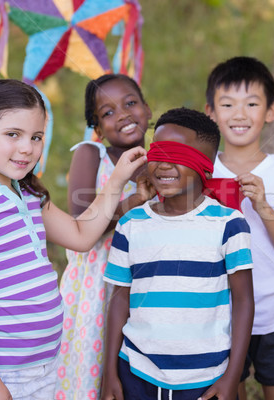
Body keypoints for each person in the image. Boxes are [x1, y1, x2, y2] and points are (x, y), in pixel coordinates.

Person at [0, 79, 147, 400]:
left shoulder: (27, 194)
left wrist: (119, 178)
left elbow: (80, 235)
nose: (27, 147)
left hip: (44, 366)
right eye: (13, 134)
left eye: (36, 137)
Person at [101, 107, 255, 400]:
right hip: (136, 371)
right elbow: (120, 298)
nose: (163, 166)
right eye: (157, 154)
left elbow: (244, 301)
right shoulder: (130, 224)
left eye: (177, 156)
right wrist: (110, 373)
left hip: (206, 377)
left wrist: (232, 378)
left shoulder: (229, 224)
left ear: (206, 167)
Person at [205, 56, 274, 400]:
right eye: (228, 104)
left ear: (271, 111)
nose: (239, 114)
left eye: (251, 103)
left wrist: (264, 206)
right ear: (211, 112)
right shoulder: (202, 172)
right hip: (218, 313)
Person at [55, 74, 155, 400]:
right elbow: (82, 220)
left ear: (147, 108)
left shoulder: (158, 164)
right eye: (108, 112)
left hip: (143, 281)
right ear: (97, 127)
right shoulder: (91, 154)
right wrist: (134, 199)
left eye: (130, 103)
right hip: (96, 284)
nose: (123, 114)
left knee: (133, 370)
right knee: (92, 368)